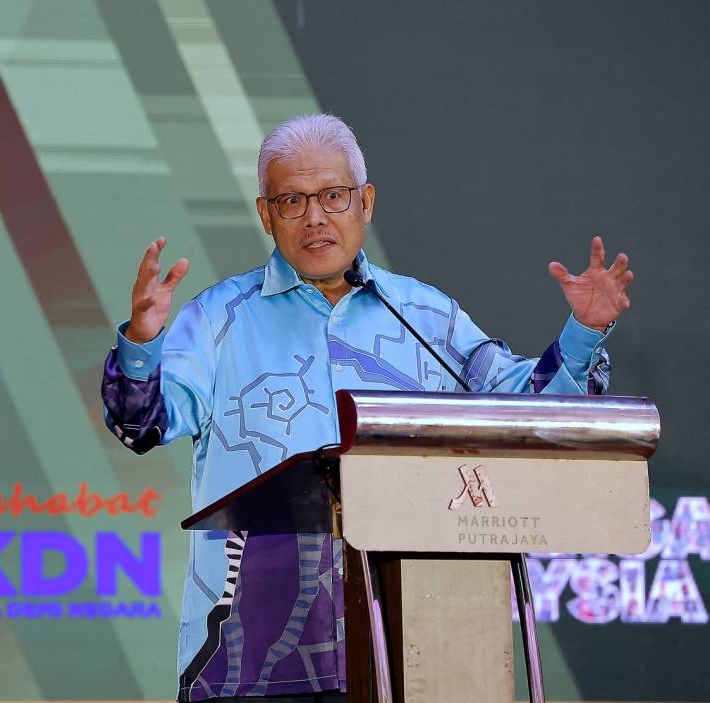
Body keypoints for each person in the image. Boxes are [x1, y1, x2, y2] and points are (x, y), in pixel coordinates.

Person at [100, 114, 633, 702]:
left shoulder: (424, 316)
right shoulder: (218, 320)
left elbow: (525, 414)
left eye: (333, 196)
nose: (315, 217)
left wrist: (583, 333)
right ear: (265, 215)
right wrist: (144, 343)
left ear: (366, 201)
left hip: (411, 653)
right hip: (253, 665)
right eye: (292, 201)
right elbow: (140, 423)